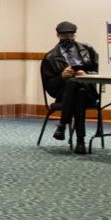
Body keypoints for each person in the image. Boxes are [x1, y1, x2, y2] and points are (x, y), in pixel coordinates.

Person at [40, 21, 100, 154]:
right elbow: (49, 87)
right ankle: (80, 142)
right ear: (58, 35)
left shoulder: (87, 50)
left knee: (78, 88)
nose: (68, 37)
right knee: (76, 90)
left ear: (75, 35)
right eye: (64, 35)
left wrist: (86, 74)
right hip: (63, 94)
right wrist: (61, 76)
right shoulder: (50, 57)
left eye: (71, 34)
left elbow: (102, 70)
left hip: (89, 90)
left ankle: (62, 125)